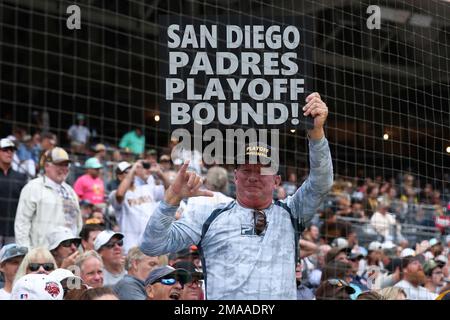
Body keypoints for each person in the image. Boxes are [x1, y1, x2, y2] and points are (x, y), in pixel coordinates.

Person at [140, 92, 333, 299]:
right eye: (246, 170)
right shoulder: (208, 215)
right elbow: (152, 245)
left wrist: (317, 133)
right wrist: (172, 198)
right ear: (235, 177)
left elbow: (321, 183)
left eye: (261, 170)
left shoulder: (291, 212)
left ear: (276, 181)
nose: (253, 177)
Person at [15, 147, 82, 248]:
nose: (63, 168)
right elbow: (22, 223)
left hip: (70, 251)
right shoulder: (33, 187)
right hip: (43, 254)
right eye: (59, 164)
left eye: (66, 165)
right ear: (47, 166)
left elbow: (77, 223)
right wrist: (25, 253)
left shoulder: (70, 190)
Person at [109, 161, 167, 253]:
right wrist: (133, 170)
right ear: (119, 177)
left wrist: (160, 173)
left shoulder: (146, 188)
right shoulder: (114, 194)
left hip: (154, 243)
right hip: (133, 247)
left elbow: (170, 190)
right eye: (127, 171)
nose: (132, 172)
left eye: (132, 170)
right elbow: (120, 195)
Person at [0, 138, 27, 246]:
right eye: (5, 149)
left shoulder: (21, 177)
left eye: (12, 150)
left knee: (11, 262)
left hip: (13, 230)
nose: (9, 152)